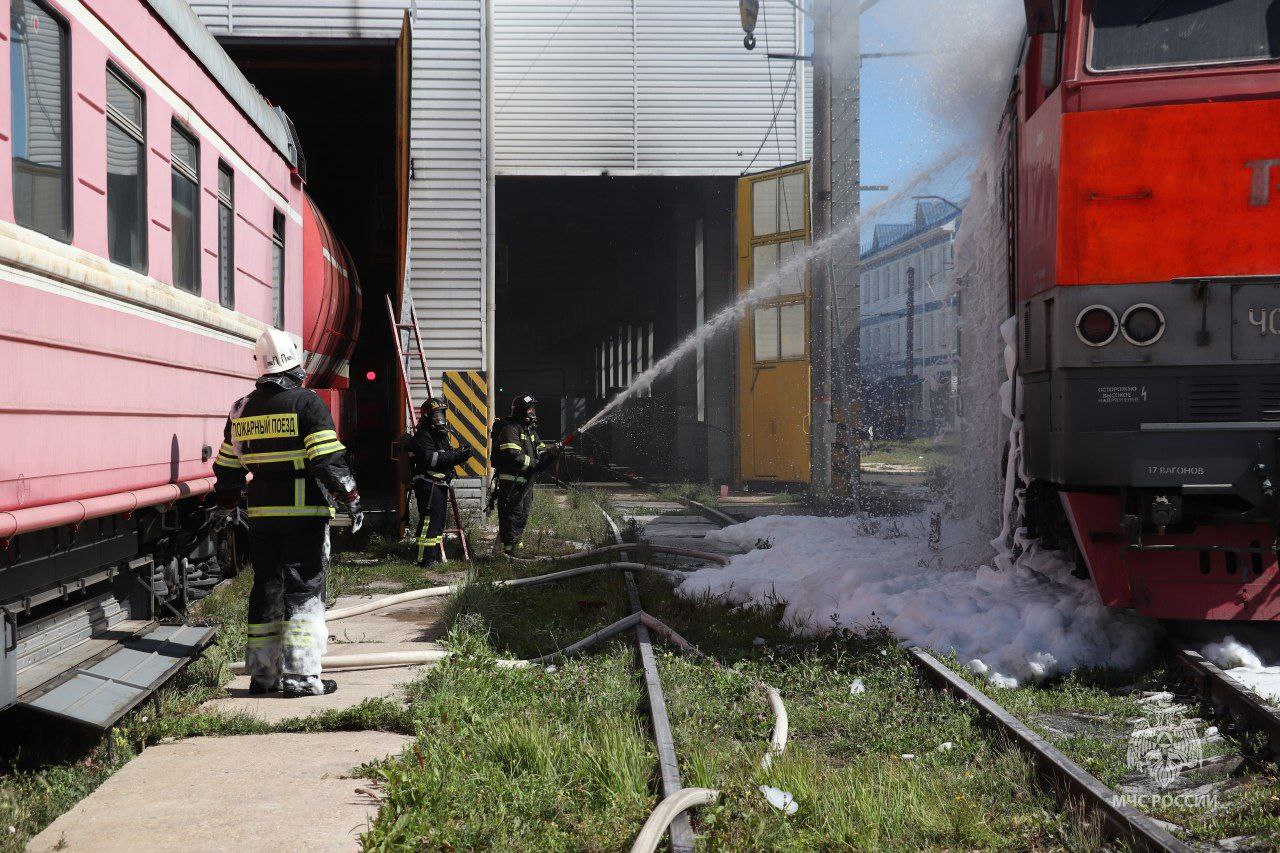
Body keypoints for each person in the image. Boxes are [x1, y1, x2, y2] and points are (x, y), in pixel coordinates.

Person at [212, 328, 362, 698]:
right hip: (304, 514)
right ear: (296, 364)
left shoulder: (241, 408)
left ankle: (263, 676)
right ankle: (302, 678)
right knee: (305, 592)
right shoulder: (307, 404)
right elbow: (328, 460)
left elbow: (228, 469)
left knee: (266, 589)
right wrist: (351, 498)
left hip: (261, 517)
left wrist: (227, 506)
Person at [490, 394, 560, 556]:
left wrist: (551, 453)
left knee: (522, 515)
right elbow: (514, 455)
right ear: (521, 411)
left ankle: (516, 549)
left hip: (525, 482)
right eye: (530, 409)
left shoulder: (530, 432)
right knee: (512, 516)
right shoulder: (510, 429)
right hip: (512, 482)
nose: (533, 412)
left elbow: (541, 452)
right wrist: (537, 463)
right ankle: (510, 552)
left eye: (533, 408)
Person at [407, 398, 473, 566]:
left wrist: (460, 453)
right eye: (436, 415)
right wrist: (456, 456)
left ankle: (432, 555)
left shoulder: (440, 436)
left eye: (442, 415)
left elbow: (447, 457)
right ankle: (425, 559)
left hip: (440, 484)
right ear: (428, 416)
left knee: (438, 523)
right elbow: (433, 459)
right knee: (429, 522)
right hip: (429, 484)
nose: (440, 419)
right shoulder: (423, 436)